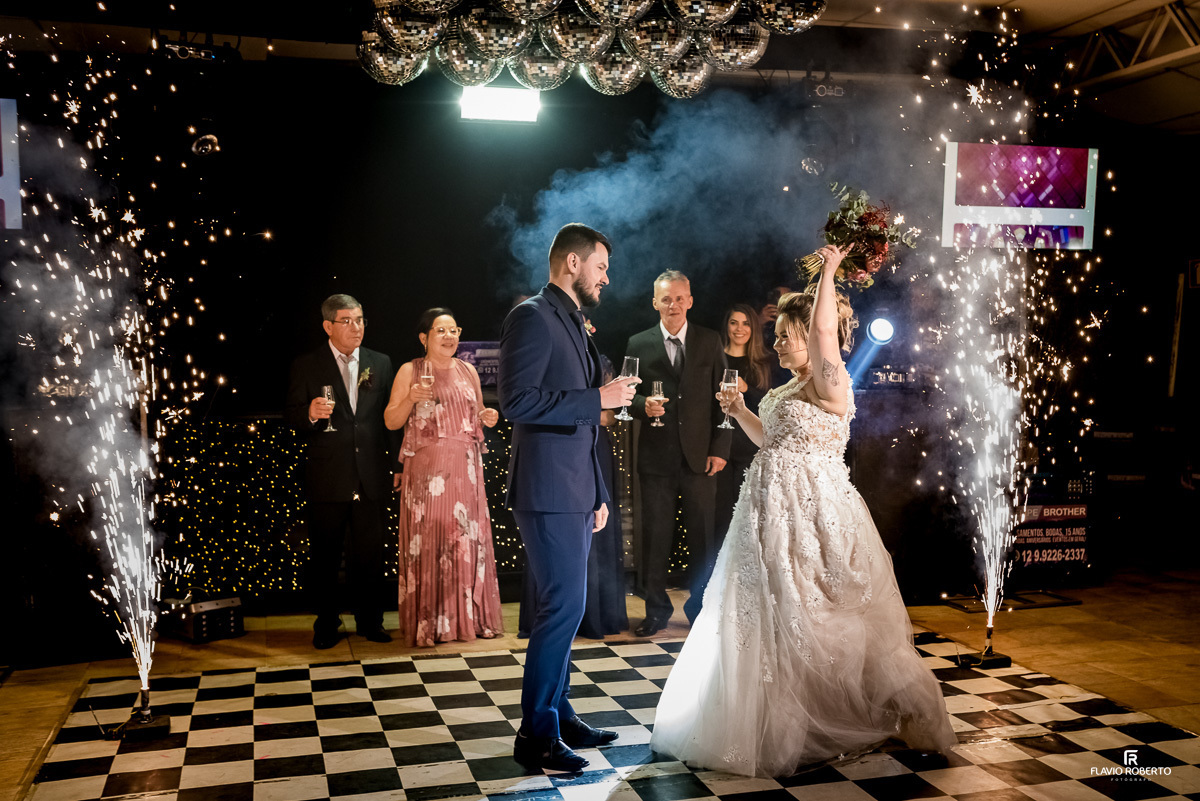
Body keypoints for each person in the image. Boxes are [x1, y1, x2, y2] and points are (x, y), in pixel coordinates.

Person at [650, 246, 956, 777]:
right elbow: (770, 440)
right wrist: (742, 410)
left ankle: (882, 713)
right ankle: (776, 718)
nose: (779, 340)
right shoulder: (789, 386)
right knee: (764, 611)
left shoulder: (830, 377)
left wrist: (831, 273)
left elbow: (821, 337)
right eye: (779, 334)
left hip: (814, 512)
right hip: (767, 508)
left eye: (788, 332)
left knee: (819, 610)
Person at [498, 223, 639, 772]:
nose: (608, 276)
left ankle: (559, 712)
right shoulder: (531, 316)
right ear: (573, 263)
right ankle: (536, 735)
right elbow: (516, 401)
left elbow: (586, 423)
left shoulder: (571, 318)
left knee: (567, 606)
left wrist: (600, 491)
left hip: (576, 487)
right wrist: (596, 396)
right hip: (548, 488)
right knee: (562, 609)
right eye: (602, 266)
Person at [384, 307, 504, 647]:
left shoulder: (468, 371)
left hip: (465, 469)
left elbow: (478, 414)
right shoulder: (411, 370)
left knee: (463, 542)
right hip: (428, 472)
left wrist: (488, 415)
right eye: (441, 331)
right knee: (433, 540)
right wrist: (410, 397)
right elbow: (392, 421)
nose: (449, 336)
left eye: (454, 330)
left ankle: (466, 620)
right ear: (424, 338)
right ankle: (432, 623)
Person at [285, 294, 396, 650]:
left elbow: (390, 422)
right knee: (326, 556)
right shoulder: (307, 364)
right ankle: (327, 623)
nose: (356, 327)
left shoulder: (380, 362)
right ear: (328, 326)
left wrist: (396, 465)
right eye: (347, 321)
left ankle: (371, 620)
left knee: (371, 553)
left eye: (360, 319)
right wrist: (310, 414)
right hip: (327, 474)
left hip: (372, 472)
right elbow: (291, 415)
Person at [623, 270, 730, 636]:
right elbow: (627, 395)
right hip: (656, 458)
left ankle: (701, 608)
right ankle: (656, 611)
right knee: (655, 537)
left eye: (680, 298)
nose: (674, 305)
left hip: (701, 458)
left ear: (691, 300)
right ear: (655, 302)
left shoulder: (710, 340)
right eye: (666, 299)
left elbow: (725, 400)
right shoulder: (638, 342)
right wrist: (642, 405)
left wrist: (720, 448)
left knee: (702, 537)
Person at [714, 304, 771, 551]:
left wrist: (748, 389)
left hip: (751, 446)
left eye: (746, 323)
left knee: (749, 511)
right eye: (734, 322)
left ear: (753, 328)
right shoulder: (715, 359)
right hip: (721, 447)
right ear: (726, 326)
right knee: (721, 513)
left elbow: (771, 403)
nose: (739, 329)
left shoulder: (765, 362)